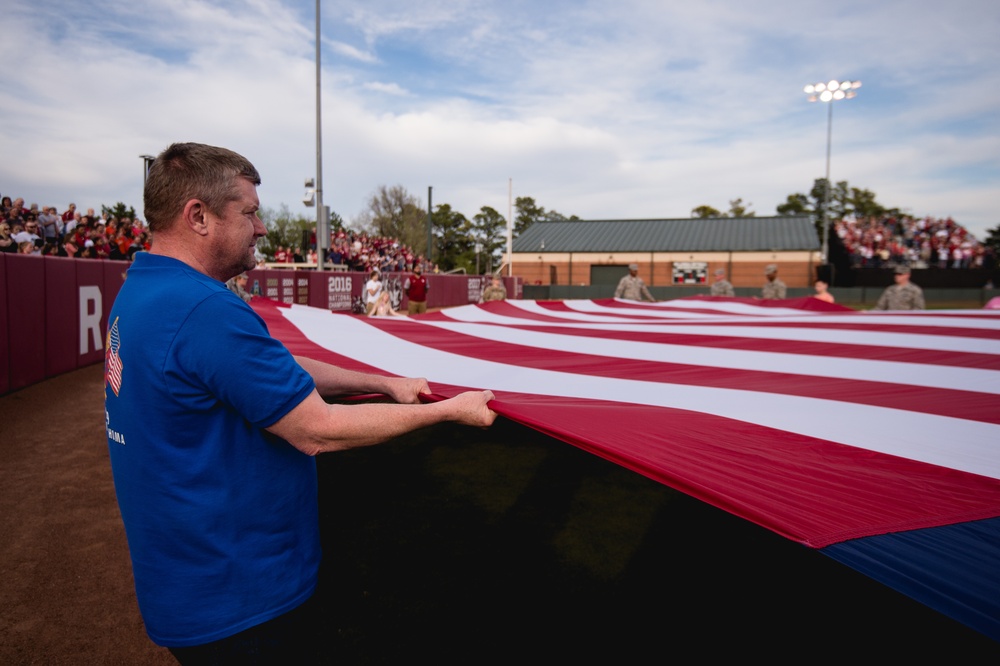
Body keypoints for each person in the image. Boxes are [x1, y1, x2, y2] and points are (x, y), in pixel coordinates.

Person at [103, 142, 497, 662]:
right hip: (239, 597)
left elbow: (268, 371)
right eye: (249, 212)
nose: (262, 227)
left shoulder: (146, 288)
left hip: (189, 580)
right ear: (198, 216)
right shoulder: (200, 307)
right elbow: (318, 429)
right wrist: (444, 410)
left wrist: (382, 382)